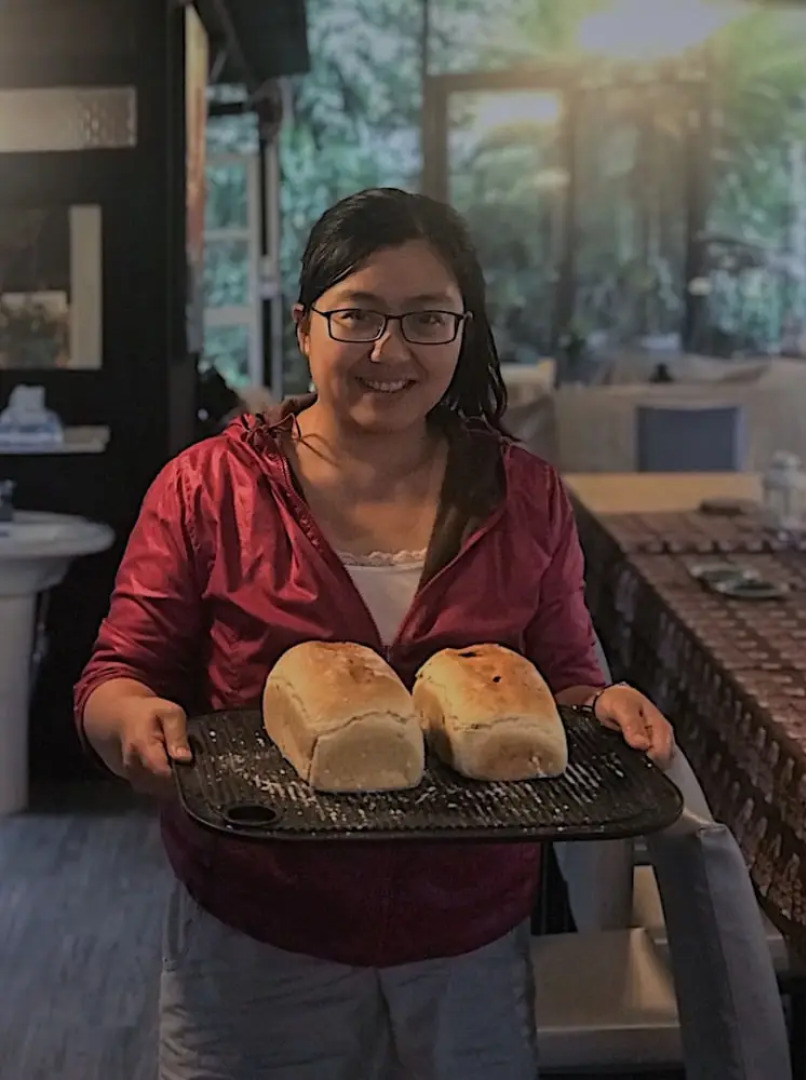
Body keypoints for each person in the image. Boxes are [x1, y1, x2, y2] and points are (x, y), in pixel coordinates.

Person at [75, 187, 674, 1080]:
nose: (389, 351)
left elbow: (565, 676)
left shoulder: (523, 493)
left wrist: (605, 710)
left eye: (427, 318)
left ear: (463, 330)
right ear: (306, 326)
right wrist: (130, 722)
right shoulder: (209, 489)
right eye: (357, 315)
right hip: (259, 935)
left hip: (467, 936)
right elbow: (118, 673)